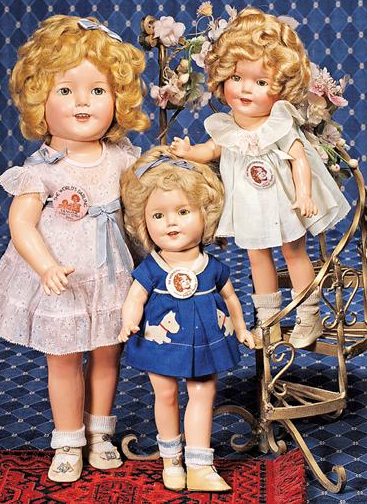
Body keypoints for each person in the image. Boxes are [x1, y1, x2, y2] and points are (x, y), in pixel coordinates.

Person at [0, 15, 149, 482]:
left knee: (108, 354)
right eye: (67, 90)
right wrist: (46, 266)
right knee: (65, 358)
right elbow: (21, 223)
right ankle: (69, 438)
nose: (82, 102)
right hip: (65, 279)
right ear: (40, 99)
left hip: (113, 275)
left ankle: (100, 431)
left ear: (118, 98)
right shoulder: (42, 169)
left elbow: (143, 207)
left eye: (98, 90)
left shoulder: (122, 158)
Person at [171, 7, 350, 349]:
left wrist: (304, 194)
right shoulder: (228, 125)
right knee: (257, 257)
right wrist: (189, 151)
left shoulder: (279, 122)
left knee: (294, 253)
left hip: (284, 203)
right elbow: (213, 149)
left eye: (261, 82)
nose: (245, 89)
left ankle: (308, 316)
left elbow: (299, 158)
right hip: (250, 206)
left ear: (281, 87)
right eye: (237, 78)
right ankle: (269, 321)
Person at [118, 146, 255, 493]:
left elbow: (230, 297)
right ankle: (170, 459)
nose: (171, 222)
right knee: (165, 393)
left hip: (205, 340)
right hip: (161, 342)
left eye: (183, 211)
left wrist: (241, 327)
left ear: (205, 215)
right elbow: (135, 297)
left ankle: (199, 464)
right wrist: (128, 322)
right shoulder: (152, 268)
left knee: (203, 393)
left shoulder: (212, 267)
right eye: (158, 215)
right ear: (143, 222)